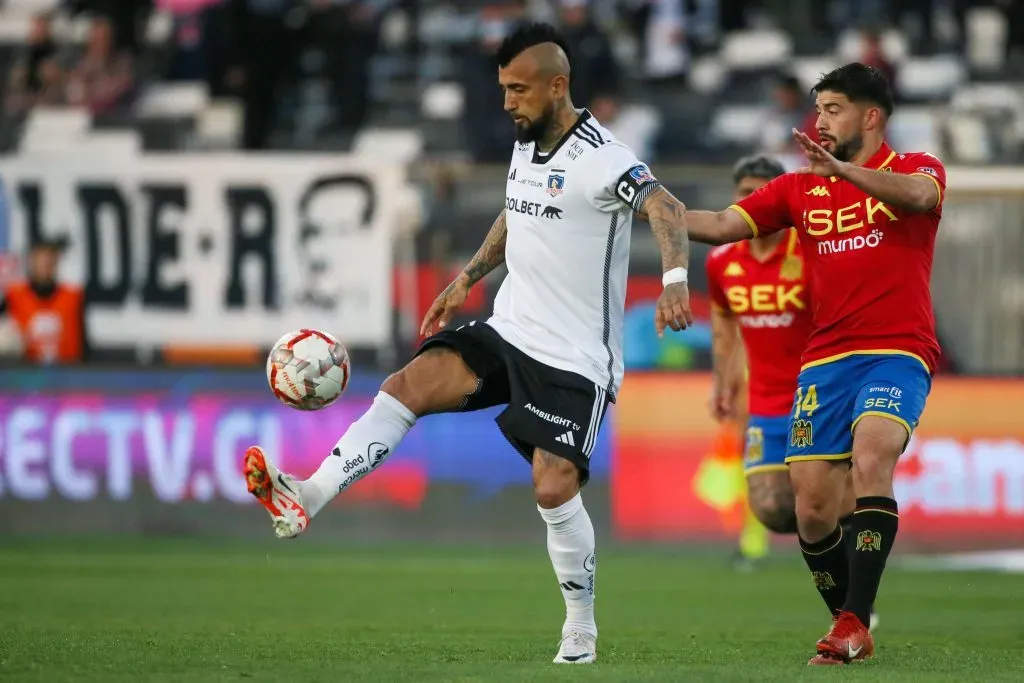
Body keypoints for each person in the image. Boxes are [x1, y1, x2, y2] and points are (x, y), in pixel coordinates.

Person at [242, 22, 694, 665]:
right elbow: (517, 211)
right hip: (510, 328)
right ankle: (307, 495)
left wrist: (674, 278)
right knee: (407, 387)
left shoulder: (603, 156)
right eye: (503, 88)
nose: (507, 102)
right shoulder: (527, 142)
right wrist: (465, 279)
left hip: (574, 356)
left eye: (518, 89)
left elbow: (667, 208)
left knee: (552, 487)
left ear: (557, 85)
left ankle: (580, 624)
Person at [679, 63, 944, 665]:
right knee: (809, 507)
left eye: (832, 109)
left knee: (874, 453)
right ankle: (850, 622)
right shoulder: (799, 189)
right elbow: (722, 224)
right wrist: (647, 205)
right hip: (824, 360)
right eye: (818, 109)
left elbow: (921, 198)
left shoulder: (917, 169)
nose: (818, 121)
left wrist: (846, 173)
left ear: (871, 116)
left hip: (897, 350)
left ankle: (853, 619)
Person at [0, 238, 88, 364]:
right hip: (25, 375)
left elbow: (84, 343)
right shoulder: (13, 296)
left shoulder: (73, 297)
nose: (45, 264)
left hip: (67, 374)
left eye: (49, 259)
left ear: (56, 262)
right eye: (40, 259)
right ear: (31, 261)